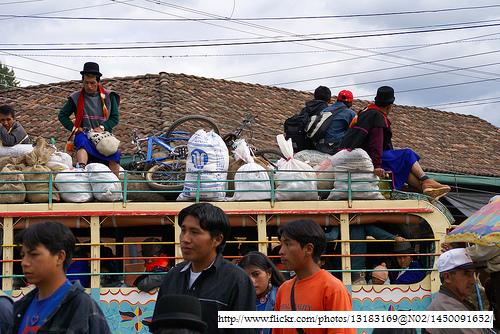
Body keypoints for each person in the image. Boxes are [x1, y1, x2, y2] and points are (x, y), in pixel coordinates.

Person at [153, 203, 256, 334]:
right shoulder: (172, 277)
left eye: (194, 232)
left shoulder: (237, 280)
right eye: (183, 230)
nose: (185, 239)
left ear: (217, 239)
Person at [340, 86, 450, 200]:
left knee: (403, 165)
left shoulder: (365, 112)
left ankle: (426, 189)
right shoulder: (377, 116)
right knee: (407, 154)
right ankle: (425, 180)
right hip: (369, 158)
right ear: (389, 106)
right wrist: (377, 165)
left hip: (359, 155)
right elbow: (375, 143)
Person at [13, 221, 111, 333]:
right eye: (23, 255)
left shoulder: (82, 307)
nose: (24, 262)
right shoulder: (20, 307)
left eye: (34, 254)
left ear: (60, 257)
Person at [274, 220, 355, 334]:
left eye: (287, 244)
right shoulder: (283, 290)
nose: (281, 251)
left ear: (308, 249)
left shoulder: (333, 289)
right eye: (281, 244)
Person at [58, 62, 121, 175]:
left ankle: (116, 186)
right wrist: (75, 129)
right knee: (81, 141)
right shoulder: (75, 98)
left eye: (92, 83)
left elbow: (115, 118)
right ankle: (81, 170)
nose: (89, 86)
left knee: (114, 155)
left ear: (98, 82)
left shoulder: (109, 97)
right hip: (85, 133)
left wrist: (102, 127)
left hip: (103, 135)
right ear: (82, 81)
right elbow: (62, 115)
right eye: (86, 83)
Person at [424, 248, 482, 334]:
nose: (472, 280)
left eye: (472, 274)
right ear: (447, 277)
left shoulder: (450, 302)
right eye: (466, 274)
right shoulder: (449, 309)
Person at [325, 224, 405, 284]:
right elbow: (377, 233)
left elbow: (332, 236)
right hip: (357, 270)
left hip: (341, 269)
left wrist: (315, 235)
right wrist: (394, 238)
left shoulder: (340, 223)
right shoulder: (362, 224)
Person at [239, 251, 285, 334]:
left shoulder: (283, 298)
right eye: (245, 276)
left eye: (256, 274)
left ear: (269, 274)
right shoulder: (235, 299)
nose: (251, 281)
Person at [315, 90, 356, 155]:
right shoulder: (350, 113)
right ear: (350, 102)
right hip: (335, 148)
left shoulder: (325, 110)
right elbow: (355, 132)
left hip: (319, 146)